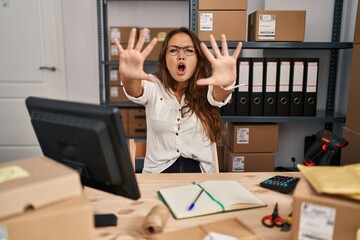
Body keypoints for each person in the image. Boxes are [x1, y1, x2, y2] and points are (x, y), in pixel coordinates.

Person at [113, 27, 242, 173]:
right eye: (173, 50)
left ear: (197, 59)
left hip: (199, 174)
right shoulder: (154, 85)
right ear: (165, 58)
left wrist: (226, 83)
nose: (181, 56)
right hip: (158, 173)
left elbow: (220, 96)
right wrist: (129, 77)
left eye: (188, 50)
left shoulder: (208, 86)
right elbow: (134, 90)